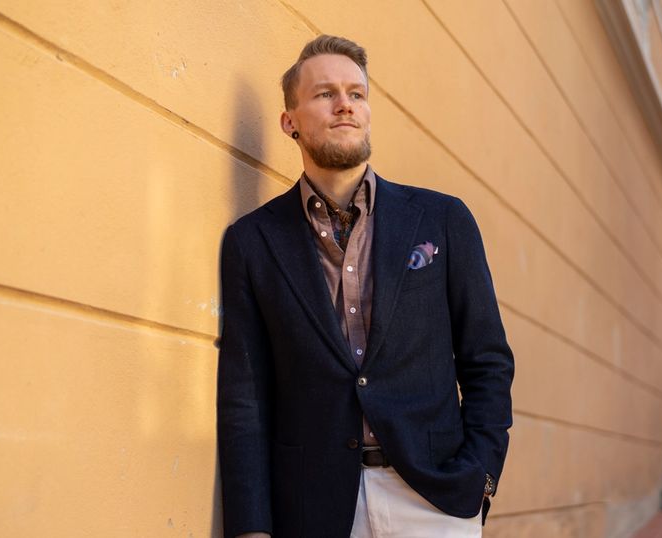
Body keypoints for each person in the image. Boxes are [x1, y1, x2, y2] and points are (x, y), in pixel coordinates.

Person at [217, 34, 514, 538]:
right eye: (324, 94)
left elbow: (487, 359)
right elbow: (246, 398)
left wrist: (479, 482)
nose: (344, 106)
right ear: (290, 121)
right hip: (314, 508)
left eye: (356, 93)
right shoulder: (252, 242)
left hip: (433, 498)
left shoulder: (442, 219)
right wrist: (251, 527)